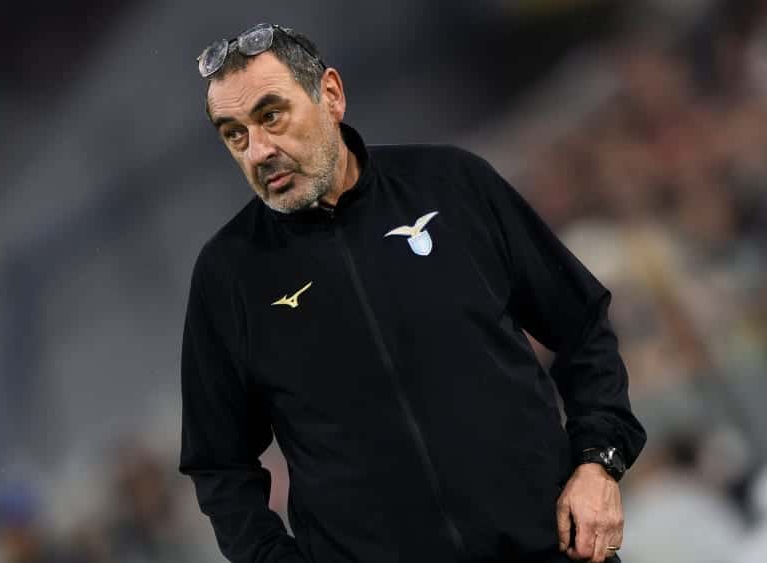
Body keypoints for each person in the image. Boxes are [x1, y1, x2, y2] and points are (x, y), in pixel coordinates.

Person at [179, 22, 646, 563]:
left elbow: (583, 326)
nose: (258, 150)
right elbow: (219, 465)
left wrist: (598, 462)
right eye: (235, 134)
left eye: (271, 116)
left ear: (331, 94)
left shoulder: (453, 183)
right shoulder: (228, 274)